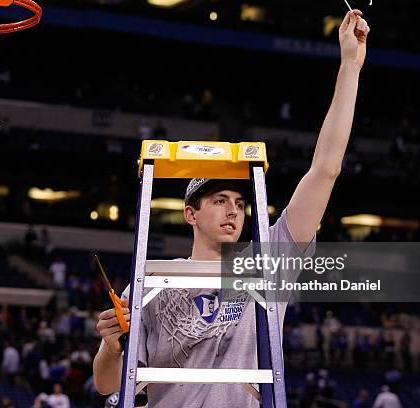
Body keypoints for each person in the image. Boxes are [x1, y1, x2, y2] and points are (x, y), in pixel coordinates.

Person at [92, 9, 370, 407]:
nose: (233, 211)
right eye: (219, 201)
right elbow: (106, 385)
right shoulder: (150, 282)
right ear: (191, 213)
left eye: (239, 203)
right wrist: (111, 346)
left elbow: (326, 170)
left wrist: (350, 67)